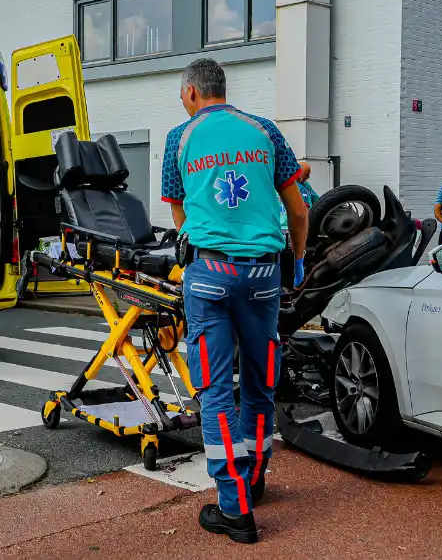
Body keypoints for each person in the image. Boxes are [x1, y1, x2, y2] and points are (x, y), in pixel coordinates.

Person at [161, 58, 309, 544]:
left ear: (190, 93)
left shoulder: (178, 139)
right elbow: (298, 208)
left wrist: (198, 238)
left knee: (216, 389)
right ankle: (255, 477)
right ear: (224, 90)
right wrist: (298, 264)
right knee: (262, 380)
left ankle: (235, 507)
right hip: (265, 271)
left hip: (209, 274)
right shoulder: (264, 131)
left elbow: (179, 209)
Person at [280, 162, 319, 288]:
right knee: (292, 264)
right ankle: (291, 290)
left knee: (283, 265)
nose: (308, 177)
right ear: (298, 172)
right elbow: (303, 212)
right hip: (290, 232)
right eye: (306, 174)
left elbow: (319, 201)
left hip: (281, 232)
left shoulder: (303, 185)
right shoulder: (299, 188)